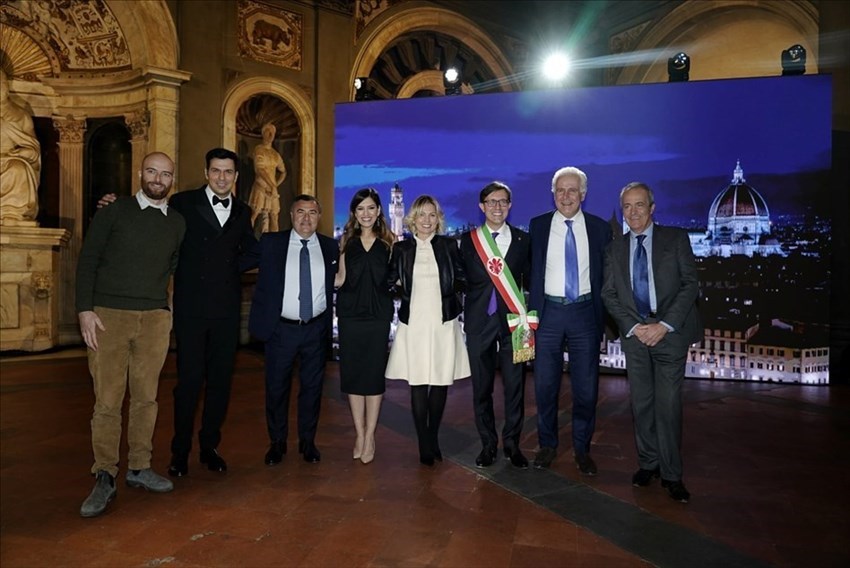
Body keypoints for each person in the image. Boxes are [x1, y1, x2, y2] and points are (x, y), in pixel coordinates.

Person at [75, 152, 186, 518]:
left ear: (172, 179)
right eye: (152, 171)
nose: (158, 179)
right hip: (109, 316)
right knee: (107, 400)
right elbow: (88, 258)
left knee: (146, 399)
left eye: (165, 174)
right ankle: (105, 474)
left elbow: (172, 268)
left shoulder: (177, 223)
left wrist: (165, 312)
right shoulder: (114, 211)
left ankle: (139, 467)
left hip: (154, 318)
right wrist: (85, 310)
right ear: (141, 173)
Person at [601, 182, 702, 503]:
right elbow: (609, 294)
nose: (632, 212)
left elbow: (690, 284)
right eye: (627, 206)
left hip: (670, 335)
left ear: (652, 208)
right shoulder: (614, 248)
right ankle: (648, 463)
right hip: (635, 336)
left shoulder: (676, 238)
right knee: (641, 403)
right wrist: (633, 326)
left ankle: (672, 474)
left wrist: (665, 324)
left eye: (639, 205)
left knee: (668, 405)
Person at [166, 148, 257, 477]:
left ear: (235, 176)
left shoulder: (243, 211)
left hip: (226, 309)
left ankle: (209, 446)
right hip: (191, 308)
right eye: (216, 171)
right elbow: (161, 235)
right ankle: (179, 451)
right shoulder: (182, 203)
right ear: (206, 173)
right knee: (189, 382)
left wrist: (231, 267)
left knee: (220, 382)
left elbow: (250, 249)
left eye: (228, 172)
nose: (222, 177)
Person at [528, 166, 612, 472]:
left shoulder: (600, 229)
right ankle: (547, 445)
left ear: (583, 194)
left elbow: (608, 276)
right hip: (548, 313)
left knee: (586, 388)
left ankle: (582, 449)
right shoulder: (537, 226)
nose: (566, 196)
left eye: (572, 190)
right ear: (553, 194)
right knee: (545, 386)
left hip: (584, 314)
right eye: (560, 190)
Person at [248, 194, 338, 465]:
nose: (306, 218)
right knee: (276, 389)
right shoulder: (271, 244)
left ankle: (308, 442)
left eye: (312, 212)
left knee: (312, 389)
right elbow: (236, 260)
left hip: (315, 330)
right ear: (291, 215)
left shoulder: (330, 246)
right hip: (281, 330)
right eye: (301, 212)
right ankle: (277, 442)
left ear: (319, 217)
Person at [385, 195, 470, 466]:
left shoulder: (448, 245)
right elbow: (387, 283)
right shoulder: (401, 249)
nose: (427, 220)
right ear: (412, 218)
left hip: (443, 322)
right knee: (419, 383)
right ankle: (424, 442)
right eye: (422, 215)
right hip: (415, 323)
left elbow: (463, 278)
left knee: (441, 382)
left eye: (432, 215)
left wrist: (451, 295)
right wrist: (402, 291)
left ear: (438, 218)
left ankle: (432, 436)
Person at [459, 181, 531, 469]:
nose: (497, 207)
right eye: (491, 202)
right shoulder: (467, 241)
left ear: (510, 205)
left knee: (516, 387)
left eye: (503, 201)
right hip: (479, 322)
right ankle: (488, 444)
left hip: (516, 324)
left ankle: (512, 444)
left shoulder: (524, 241)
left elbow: (530, 280)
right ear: (482, 206)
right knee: (481, 388)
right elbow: (461, 279)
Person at [335, 188, 395, 464]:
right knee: (353, 376)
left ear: (379, 211)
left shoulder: (390, 242)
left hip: (378, 316)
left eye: (371, 208)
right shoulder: (347, 240)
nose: (366, 213)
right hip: (350, 315)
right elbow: (341, 279)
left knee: (372, 377)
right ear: (354, 213)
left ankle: (371, 435)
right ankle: (359, 433)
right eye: (361, 209)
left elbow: (398, 280)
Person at [0, 69, 40, 223]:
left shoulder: (20, 115)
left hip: (9, 159)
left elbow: (33, 148)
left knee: (18, 170)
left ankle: (11, 212)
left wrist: (22, 153)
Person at [249, 122, 286, 233]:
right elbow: (260, 170)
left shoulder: (275, 154)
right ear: (263, 133)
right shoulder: (259, 149)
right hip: (261, 186)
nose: (270, 135)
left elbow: (283, 172)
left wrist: (275, 185)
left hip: (272, 190)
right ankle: (248, 240)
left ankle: (274, 244)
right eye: (267, 132)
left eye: (272, 133)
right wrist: (272, 185)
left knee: (274, 216)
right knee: (255, 214)